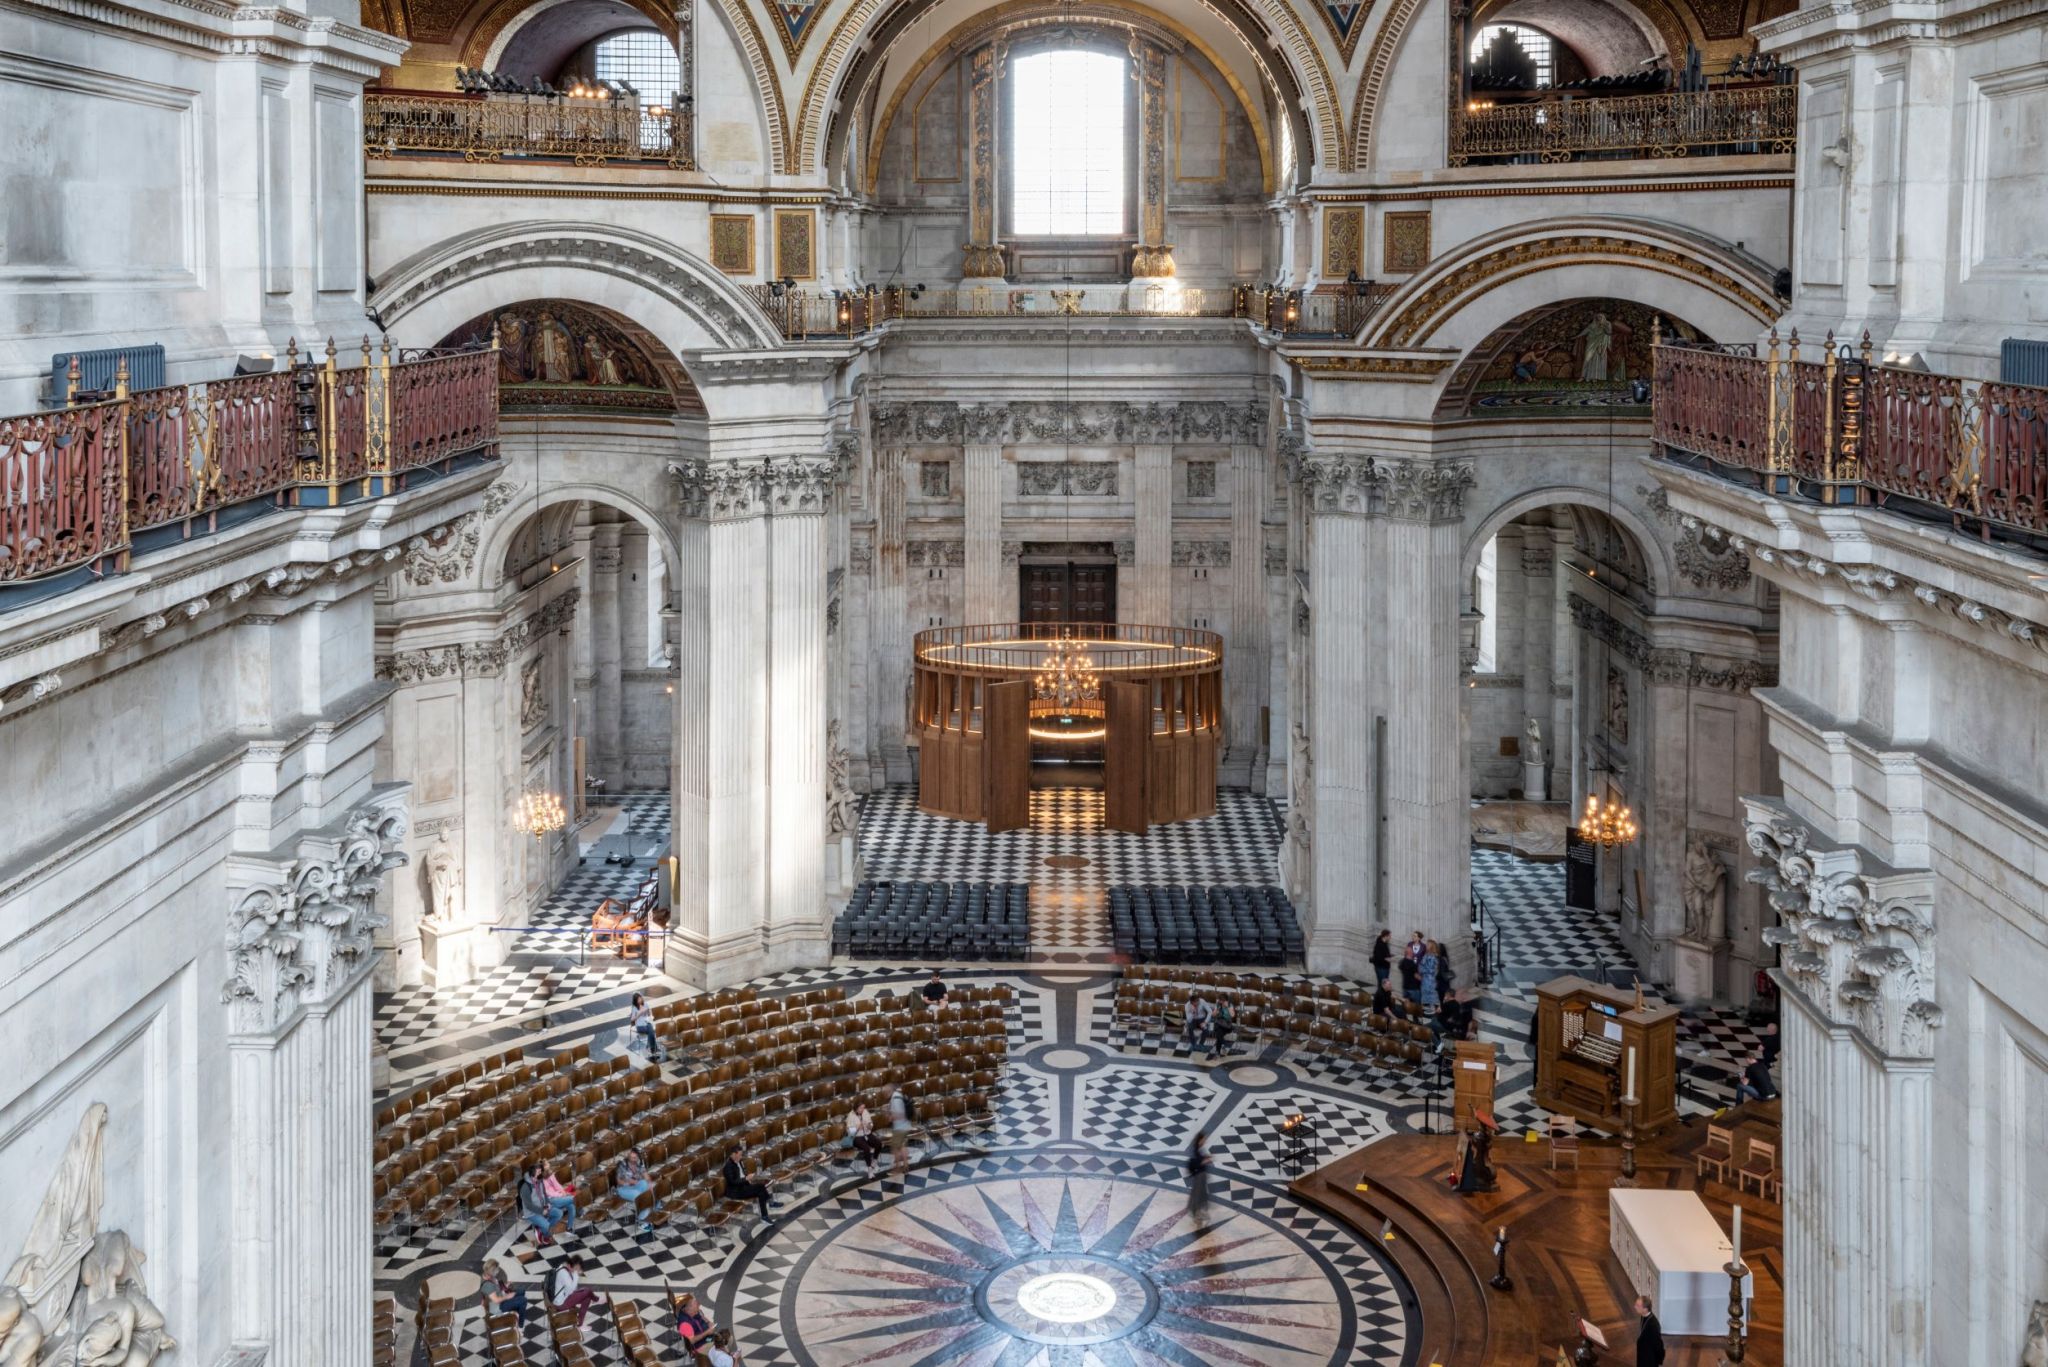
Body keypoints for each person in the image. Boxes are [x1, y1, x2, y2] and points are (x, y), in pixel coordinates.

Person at [721, 1143, 775, 1221]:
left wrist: (748, 1178)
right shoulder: (728, 1167)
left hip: (744, 1186)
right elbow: (733, 1182)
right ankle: (768, 1207)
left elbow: (743, 1172)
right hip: (736, 1191)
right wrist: (746, 1179)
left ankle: (765, 1214)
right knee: (760, 1188)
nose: (741, 1156)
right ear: (734, 1154)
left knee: (761, 1190)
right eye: (740, 1155)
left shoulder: (739, 1161)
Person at [614, 1146, 658, 1231]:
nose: (633, 1159)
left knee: (650, 1186)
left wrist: (650, 1184)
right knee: (641, 1197)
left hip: (636, 1185)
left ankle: (651, 1211)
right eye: (632, 1158)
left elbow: (645, 1175)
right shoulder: (622, 1165)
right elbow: (619, 1181)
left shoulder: (639, 1162)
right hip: (624, 1188)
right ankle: (642, 1221)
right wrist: (630, 1182)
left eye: (635, 1157)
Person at [549, 1257, 598, 1327]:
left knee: (587, 1297)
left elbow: (570, 1290)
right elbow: (571, 1291)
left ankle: (580, 1322)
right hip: (560, 1304)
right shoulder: (564, 1274)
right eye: (574, 1269)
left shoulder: (561, 1268)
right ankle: (596, 1299)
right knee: (587, 1291)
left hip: (559, 1299)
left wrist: (574, 1273)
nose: (574, 1271)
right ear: (569, 1265)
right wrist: (576, 1274)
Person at [518, 1162, 556, 1245]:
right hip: (531, 1213)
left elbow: (544, 1194)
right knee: (546, 1225)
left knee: (558, 1214)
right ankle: (545, 1236)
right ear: (532, 1173)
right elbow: (528, 1205)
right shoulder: (525, 1187)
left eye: (540, 1171)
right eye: (538, 1172)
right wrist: (541, 1211)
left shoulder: (540, 1181)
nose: (540, 1173)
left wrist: (547, 1203)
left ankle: (540, 1228)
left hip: (542, 1207)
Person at [845, 1100, 884, 1174]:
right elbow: (849, 1132)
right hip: (857, 1137)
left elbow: (871, 1123)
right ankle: (869, 1168)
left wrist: (870, 1126)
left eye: (863, 1108)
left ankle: (874, 1161)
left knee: (879, 1143)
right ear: (856, 1108)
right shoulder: (851, 1115)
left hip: (867, 1133)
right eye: (861, 1108)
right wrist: (857, 1127)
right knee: (866, 1148)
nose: (863, 1110)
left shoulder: (865, 1112)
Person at [541, 1161, 579, 1233]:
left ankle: (569, 1228)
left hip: (558, 1197)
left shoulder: (550, 1174)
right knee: (574, 1198)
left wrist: (563, 1192)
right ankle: (581, 1205)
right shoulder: (541, 1180)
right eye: (547, 1164)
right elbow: (548, 1193)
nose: (549, 1164)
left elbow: (557, 1185)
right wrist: (561, 1195)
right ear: (543, 1168)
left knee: (571, 1206)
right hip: (550, 1200)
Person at [627, 993, 664, 1062]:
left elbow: (649, 1014)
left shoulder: (646, 1004)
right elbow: (632, 1019)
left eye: (641, 998)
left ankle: (650, 1049)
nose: (640, 1000)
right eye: (639, 999)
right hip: (640, 1026)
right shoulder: (634, 1008)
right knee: (651, 1031)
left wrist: (649, 1012)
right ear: (635, 1001)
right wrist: (639, 1013)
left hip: (647, 1022)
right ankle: (654, 1048)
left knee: (650, 1030)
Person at [1634, 1295, 1666, 1367]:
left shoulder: (1653, 1325)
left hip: (1649, 1359)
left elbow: (1658, 1345)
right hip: (1643, 1354)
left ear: (1645, 1309)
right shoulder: (1643, 1315)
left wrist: (1659, 1360)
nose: (1634, 1307)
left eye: (1637, 1305)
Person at [887, 1086, 914, 1169]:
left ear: (889, 1091)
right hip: (905, 1125)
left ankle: (897, 1168)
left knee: (895, 1148)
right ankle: (905, 1166)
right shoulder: (898, 1095)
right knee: (902, 1146)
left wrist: (890, 1117)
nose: (884, 1094)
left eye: (886, 1092)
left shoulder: (895, 1098)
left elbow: (899, 1114)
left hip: (899, 1127)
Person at [1186, 1130, 1210, 1215]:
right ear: (1199, 1140)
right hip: (1199, 1175)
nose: (1204, 1141)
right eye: (1203, 1139)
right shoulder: (1196, 1150)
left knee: (1199, 1193)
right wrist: (1205, 1161)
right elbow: (1197, 1163)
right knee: (1197, 1193)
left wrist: (1206, 1158)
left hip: (1201, 1175)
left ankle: (1196, 1209)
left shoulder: (1199, 1149)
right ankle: (1195, 1210)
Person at [1419, 941, 1442, 1011]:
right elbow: (1421, 966)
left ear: (1432, 946)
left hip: (1430, 979)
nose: (1426, 945)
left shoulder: (1433, 956)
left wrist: (1423, 970)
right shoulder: (1426, 955)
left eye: (1428, 944)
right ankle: (1426, 1009)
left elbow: (1433, 969)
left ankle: (1434, 1009)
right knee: (1425, 992)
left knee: (1431, 993)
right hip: (1425, 978)